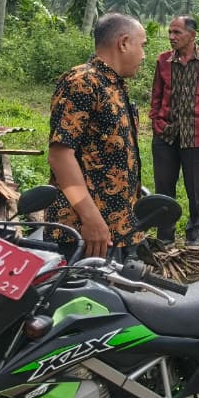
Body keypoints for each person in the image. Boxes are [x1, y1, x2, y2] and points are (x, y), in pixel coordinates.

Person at [47, 13, 148, 260]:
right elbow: (60, 156)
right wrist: (91, 218)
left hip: (118, 230)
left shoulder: (114, 85)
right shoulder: (83, 82)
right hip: (86, 235)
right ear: (123, 43)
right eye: (142, 46)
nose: (144, 56)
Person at [149, 15, 199, 247]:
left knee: (196, 189)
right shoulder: (163, 61)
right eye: (170, 32)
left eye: (177, 33)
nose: (171, 37)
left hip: (196, 134)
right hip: (166, 133)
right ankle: (165, 235)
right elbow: (156, 96)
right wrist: (156, 122)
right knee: (164, 187)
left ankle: (194, 232)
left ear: (192, 36)